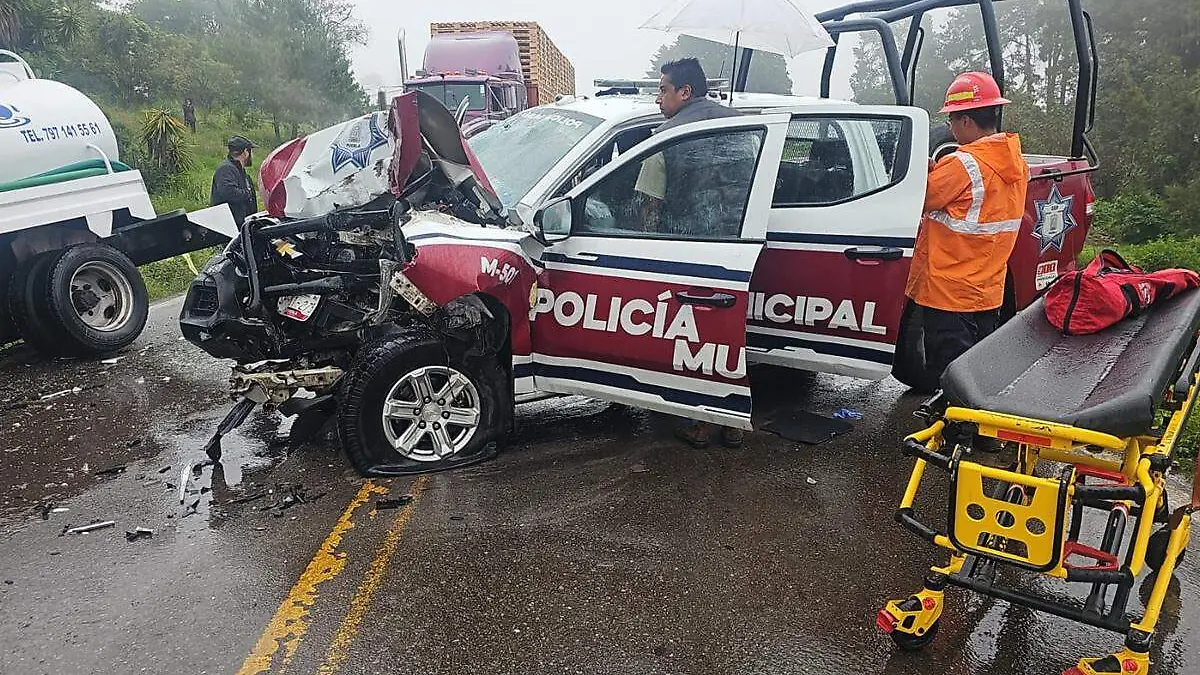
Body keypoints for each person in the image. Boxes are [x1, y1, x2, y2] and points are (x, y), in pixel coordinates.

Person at [634, 58, 748, 450]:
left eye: (663, 90)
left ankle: (700, 422)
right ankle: (732, 421)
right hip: (740, 248)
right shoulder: (742, 127)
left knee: (693, 337)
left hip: (688, 248)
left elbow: (648, 206)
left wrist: (644, 251)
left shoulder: (665, 138)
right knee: (732, 336)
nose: (658, 99)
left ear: (685, 92)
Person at [905, 71, 1030, 383]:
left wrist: (923, 169)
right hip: (987, 292)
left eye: (951, 120)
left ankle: (955, 417)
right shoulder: (1016, 163)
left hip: (949, 294)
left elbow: (920, 198)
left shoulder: (962, 164)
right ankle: (978, 417)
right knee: (977, 376)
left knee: (950, 379)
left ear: (965, 121)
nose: (950, 128)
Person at [210, 136, 259, 227]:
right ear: (245, 152)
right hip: (228, 227)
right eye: (250, 151)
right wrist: (248, 193)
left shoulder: (239, 171)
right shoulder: (226, 169)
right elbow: (229, 192)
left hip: (240, 225)